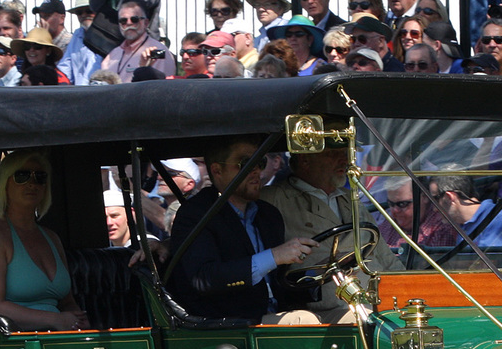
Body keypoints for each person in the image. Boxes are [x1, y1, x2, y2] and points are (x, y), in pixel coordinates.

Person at [167, 137, 318, 322]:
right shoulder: (197, 214)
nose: (256, 171)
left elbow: (282, 280)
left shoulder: (268, 215)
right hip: (229, 323)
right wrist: (274, 256)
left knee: (356, 315)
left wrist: (318, 273)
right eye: (246, 164)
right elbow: (203, 278)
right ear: (217, 170)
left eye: (260, 162)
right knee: (305, 321)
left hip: (277, 312)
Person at [260, 146, 402, 318]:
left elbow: (386, 258)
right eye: (333, 153)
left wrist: (409, 291)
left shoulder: (350, 199)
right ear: (305, 159)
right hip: (323, 312)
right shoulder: (273, 200)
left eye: (345, 154)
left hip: (378, 304)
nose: (344, 160)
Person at [0, 152, 88, 331]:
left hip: (60, 341)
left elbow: (67, 302)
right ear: (4, 183)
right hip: (14, 343)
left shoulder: (52, 238)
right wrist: (55, 320)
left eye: (40, 177)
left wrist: (80, 323)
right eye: (22, 176)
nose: (32, 183)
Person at [430, 172, 502, 246]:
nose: (434, 209)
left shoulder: (495, 219)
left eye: (435, 199)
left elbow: (484, 264)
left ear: (450, 197)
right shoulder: (463, 223)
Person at [103, 0, 170, 82]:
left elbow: (162, 87)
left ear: (146, 23)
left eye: (134, 19)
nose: (129, 23)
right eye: (123, 21)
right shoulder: (113, 54)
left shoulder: (158, 51)